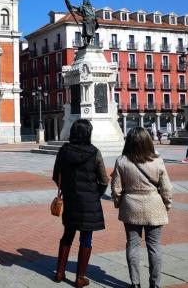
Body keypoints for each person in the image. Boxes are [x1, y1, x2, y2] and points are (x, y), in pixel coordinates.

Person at [111, 127, 173, 288]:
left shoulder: (122, 161)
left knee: (132, 245)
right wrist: (167, 203)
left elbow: (116, 188)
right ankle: (155, 284)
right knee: (154, 246)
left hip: (131, 205)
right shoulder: (157, 160)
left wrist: (119, 202)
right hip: (154, 205)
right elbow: (166, 187)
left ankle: (135, 283)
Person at [53, 119, 109, 287]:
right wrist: (96, 194)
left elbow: (57, 175)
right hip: (89, 203)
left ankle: (60, 273)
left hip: (71, 200)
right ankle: (79, 278)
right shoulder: (95, 152)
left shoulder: (64, 151)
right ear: (88, 133)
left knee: (67, 236)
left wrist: (68, 190)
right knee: (86, 239)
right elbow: (104, 180)